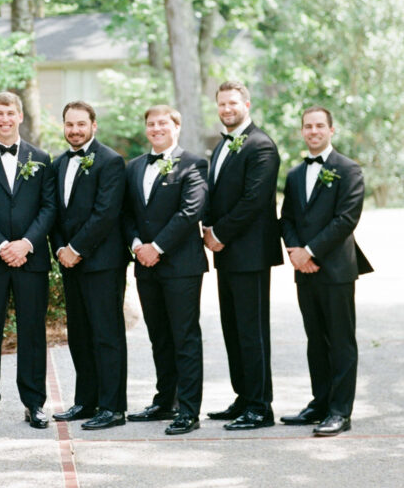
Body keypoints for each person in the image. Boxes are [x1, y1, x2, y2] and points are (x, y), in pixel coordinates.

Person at [0, 91, 56, 429]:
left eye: (10, 113)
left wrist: (26, 244)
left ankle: (34, 403)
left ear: (19, 116)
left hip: (31, 261)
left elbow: (49, 207)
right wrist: (3, 245)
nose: (4, 119)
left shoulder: (42, 158)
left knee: (32, 332)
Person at [279, 106, 372, 436]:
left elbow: (346, 219)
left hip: (335, 269)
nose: (313, 131)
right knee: (315, 340)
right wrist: (295, 253)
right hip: (304, 270)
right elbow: (287, 218)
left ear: (332, 130)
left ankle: (339, 411)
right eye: (308, 126)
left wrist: (311, 251)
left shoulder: (348, 169)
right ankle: (320, 402)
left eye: (320, 126)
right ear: (302, 132)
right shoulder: (293, 175)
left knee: (340, 341)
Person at [123, 105, 209, 435]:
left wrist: (155, 247)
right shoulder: (133, 167)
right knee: (159, 335)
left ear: (177, 126)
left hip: (181, 265)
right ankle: (165, 400)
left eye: (163, 123)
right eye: (151, 123)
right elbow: (126, 213)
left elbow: (190, 212)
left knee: (184, 337)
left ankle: (188, 410)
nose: (157, 128)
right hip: (144, 266)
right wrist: (136, 245)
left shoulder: (193, 163)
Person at [203, 80, 282, 430]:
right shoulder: (222, 146)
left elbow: (253, 200)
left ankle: (260, 406)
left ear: (246, 105)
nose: (226, 109)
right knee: (232, 328)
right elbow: (217, 194)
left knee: (252, 330)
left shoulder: (261, 145)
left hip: (249, 253)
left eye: (233, 103)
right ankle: (244, 396)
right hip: (227, 254)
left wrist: (218, 233)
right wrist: (205, 226)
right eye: (221, 103)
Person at [50, 101, 129, 430]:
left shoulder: (110, 161)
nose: (75, 130)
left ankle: (112, 407)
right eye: (69, 124)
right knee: (79, 334)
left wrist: (76, 248)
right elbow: (53, 211)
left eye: (81, 124)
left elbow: (106, 212)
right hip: (69, 262)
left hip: (102, 262)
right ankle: (85, 401)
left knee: (106, 334)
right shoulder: (57, 164)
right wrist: (59, 250)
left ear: (94, 125)